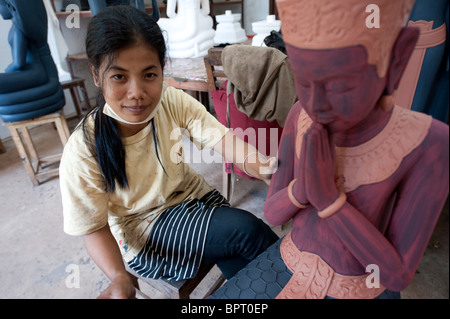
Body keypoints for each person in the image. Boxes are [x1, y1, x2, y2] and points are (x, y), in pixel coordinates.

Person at [211, 0, 449, 299]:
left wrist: (330, 202)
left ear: (396, 61)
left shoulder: (429, 143)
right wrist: (301, 190)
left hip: (360, 287)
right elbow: (272, 212)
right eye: (305, 81)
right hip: (288, 261)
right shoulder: (301, 114)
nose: (319, 105)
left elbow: (396, 274)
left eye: (342, 84)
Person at [59, 5, 278, 299]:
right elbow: (94, 227)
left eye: (149, 75)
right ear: (97, 75)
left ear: (163, 68)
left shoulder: (170, 101)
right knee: (246, 230)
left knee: (243, 257)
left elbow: (221, 138)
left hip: (191, 201)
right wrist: (119, 278)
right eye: (119, 77)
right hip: (144, 231)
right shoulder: (83, 149)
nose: (136, 91)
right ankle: (290, 286)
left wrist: (262, 166)